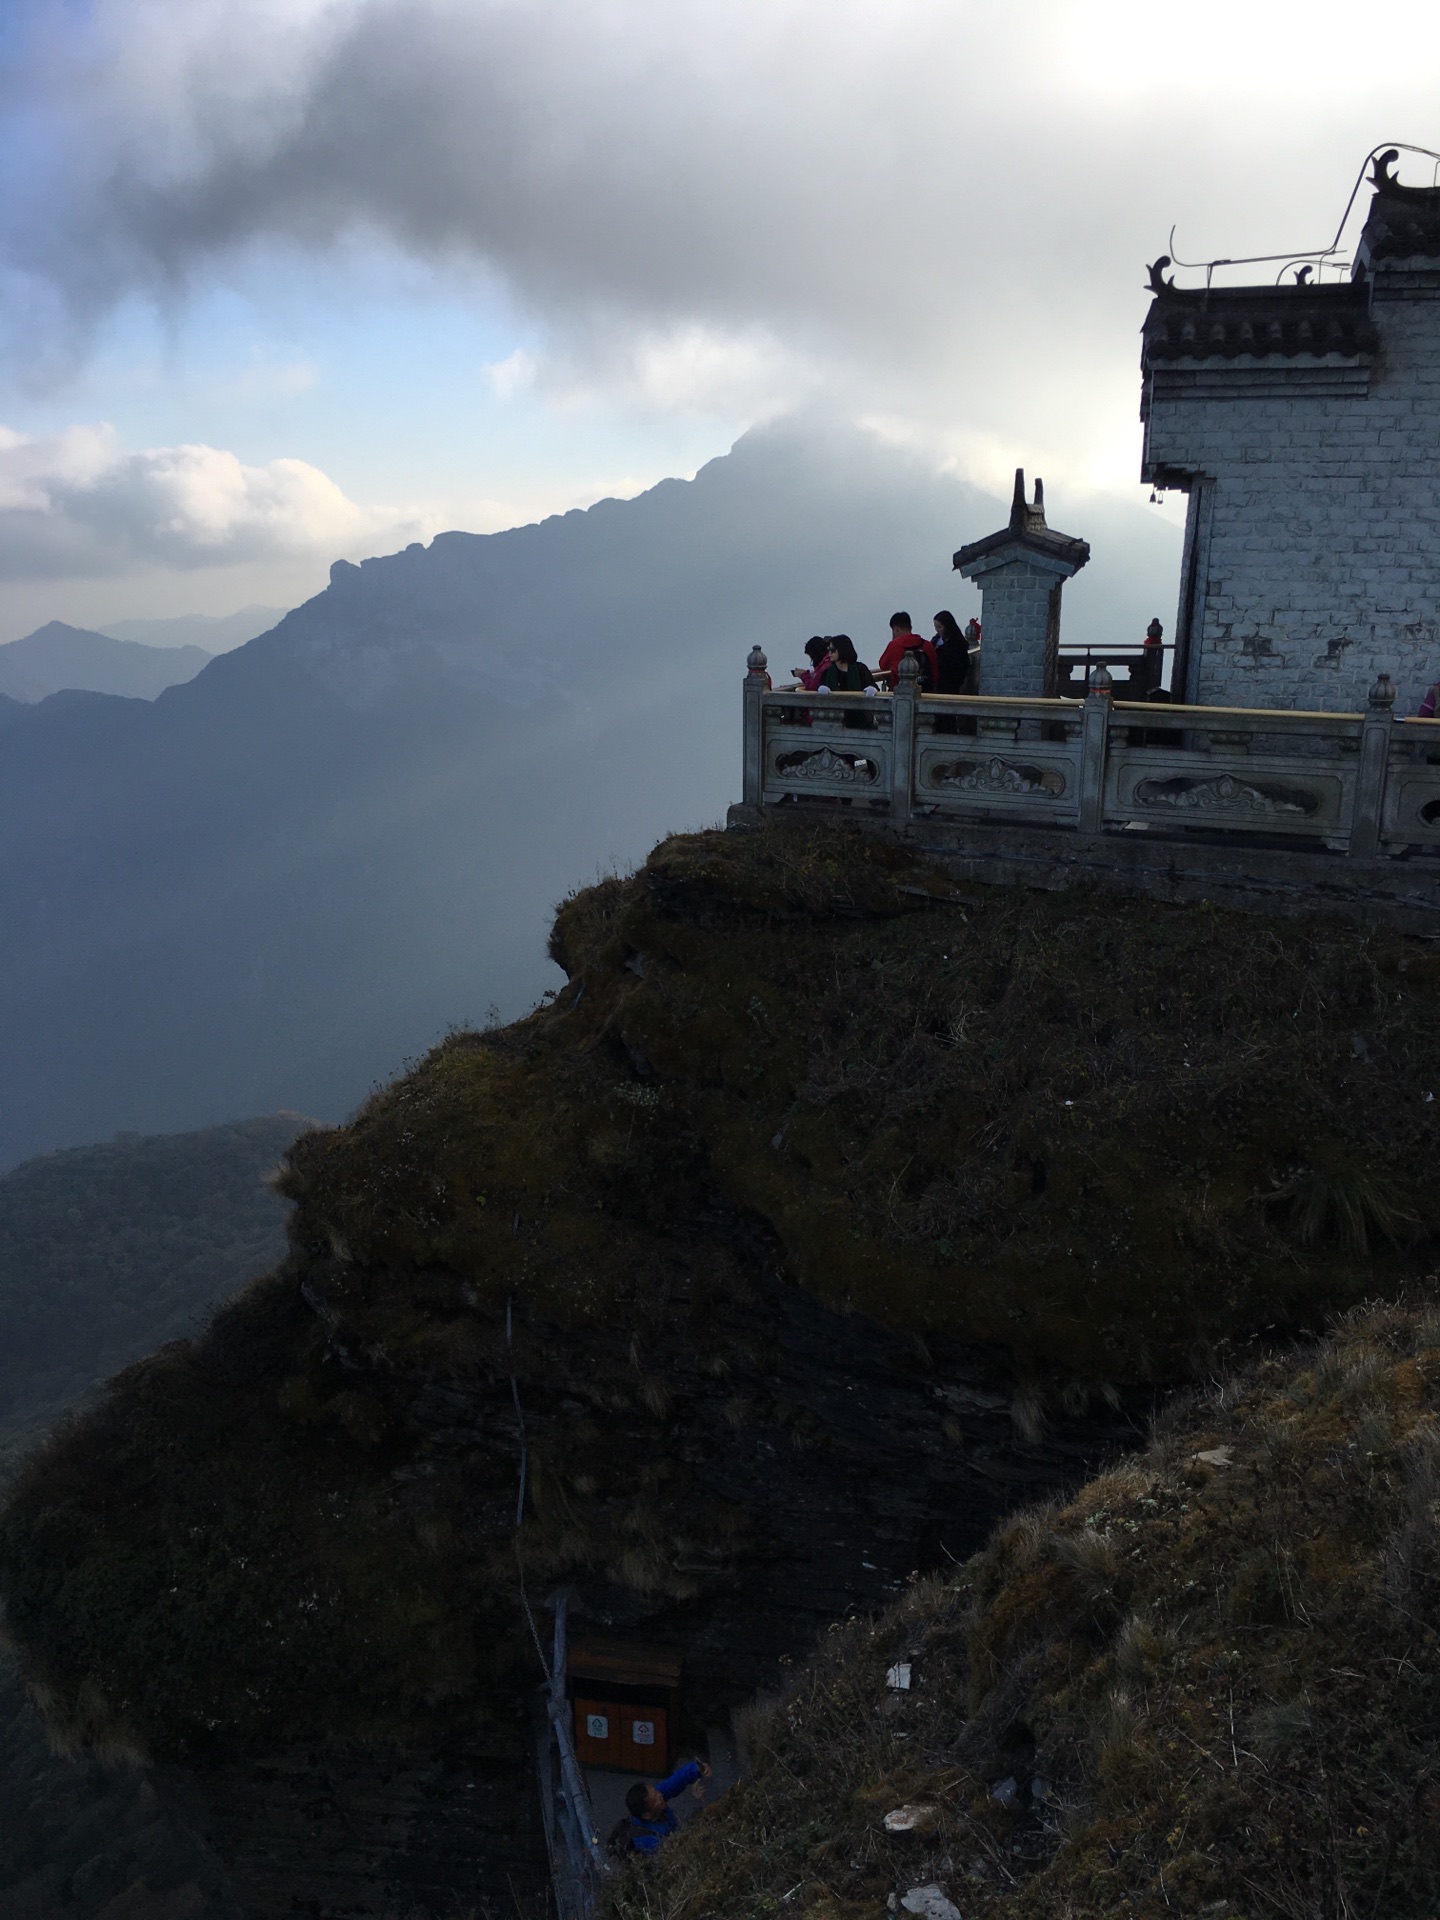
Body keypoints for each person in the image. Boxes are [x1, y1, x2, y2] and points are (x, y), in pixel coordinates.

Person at [624, 1757, 713, 1856]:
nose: (660, 1795)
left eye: (656, 1792)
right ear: (646, 1815)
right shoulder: (648, 1840)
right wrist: (699, 1804)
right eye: (656, 1799)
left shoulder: (654, 1799)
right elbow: (677, 1851)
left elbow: (677, 1780)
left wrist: (697, 1770)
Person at [878, 612, 938, 692]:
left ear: (896, 629)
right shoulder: (927, 645)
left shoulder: (894, 645)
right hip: (925, 694)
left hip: (899, 694)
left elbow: (883, 665)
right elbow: (935, 671)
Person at [932, 610, 973, 696]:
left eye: (939, 627)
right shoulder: (936, 640)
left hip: (949, 684)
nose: (937, 630)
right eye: (936, 627)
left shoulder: (957, 645)